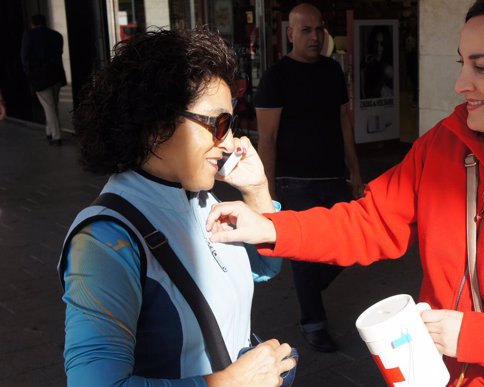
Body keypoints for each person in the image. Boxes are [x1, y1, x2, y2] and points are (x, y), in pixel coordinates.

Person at [206, 1, 484, 386]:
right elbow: (370, 221)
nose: (461, 84)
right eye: (462, 63)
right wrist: (269, 225)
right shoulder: (446, 146)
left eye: (481, 67)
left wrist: (482, 338)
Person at [58, 28, 296, 386]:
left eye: (232, 124)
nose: (230, 143)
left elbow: (264, 266)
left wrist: (258, 191)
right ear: (155, 124)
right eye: (218, 124)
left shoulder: (197, 197)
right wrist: (229, 383)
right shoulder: (105, 242)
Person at [253, 3, 363, 353]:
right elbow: (266, 139)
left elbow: (343, 123)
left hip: (333, 178)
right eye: (306, 30)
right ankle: (313, 322)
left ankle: (309, 288)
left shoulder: (332, 71)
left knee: (348, 247)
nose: (315, 37)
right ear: (290, 34)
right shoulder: (276, 78)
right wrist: (265, 191)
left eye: (320, 30)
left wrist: (355, 171)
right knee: (303, 255)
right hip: (293, 182)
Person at [21, 14, 67, 146]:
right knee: (52, 105)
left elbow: (24, 58)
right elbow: (59, 53)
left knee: (49, 106)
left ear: (32, 23)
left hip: (40, 76)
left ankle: (56, 136)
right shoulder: (56, 35)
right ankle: (49, 131)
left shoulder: (28, 36)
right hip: (56, 74)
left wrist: (30, 74)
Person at [360, 25, 395, 99]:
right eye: (376, 43)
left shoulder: (388, 67)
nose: (378, 48)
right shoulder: (367, 61)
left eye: (382, 44)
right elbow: (363, 93)